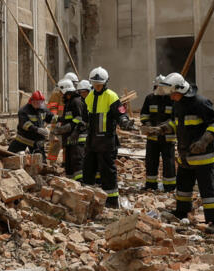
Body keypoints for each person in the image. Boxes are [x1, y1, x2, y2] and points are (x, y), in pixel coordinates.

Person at [162, 72, 214, 233]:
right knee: (183, 187)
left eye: (172, 93)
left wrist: (204, 141)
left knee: (208, 190)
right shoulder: (178, 104)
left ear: (180, 90)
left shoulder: (200, 103)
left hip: (204, 157)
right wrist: (162, 128)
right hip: (185, 155)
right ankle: (182, 212)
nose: (171, 97)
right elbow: (177, 124)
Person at [82, 67, 128, 208]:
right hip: (92, 141)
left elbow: (121, 113)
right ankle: (86, 199)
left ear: (106, 82)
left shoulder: (111, 96)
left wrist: (124, 121)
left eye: (99, 84)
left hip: (106, 141)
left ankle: (112, 201)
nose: (97, 86)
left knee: (107, 171)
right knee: (88, 169)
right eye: (94, 84)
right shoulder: (89, 97)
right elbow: (84, 116)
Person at [139, 75, 177, 192]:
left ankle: (169, 187)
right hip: (153, 138)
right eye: (156, 87)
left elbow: (176, 118)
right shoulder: (150, 98)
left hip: (168, 138)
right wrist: (148, 125)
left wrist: (165, 128)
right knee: (151, 161)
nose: (158, 89)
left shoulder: (172, 99)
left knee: (169, 163)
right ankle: (151, 185)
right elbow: (144, 115)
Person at [54, 79, 87, 181]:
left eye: (60, 91)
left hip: (77, 137)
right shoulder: (68, 103)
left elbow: (79, 119)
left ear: (65, 91)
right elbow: (68, 118)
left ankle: (80, 182)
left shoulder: (76, 101)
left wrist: (65, 128)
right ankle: (71, 183)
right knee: (69, 163)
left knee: (77, 161)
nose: (60, 94)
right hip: (70, 137)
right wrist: (58, 120)